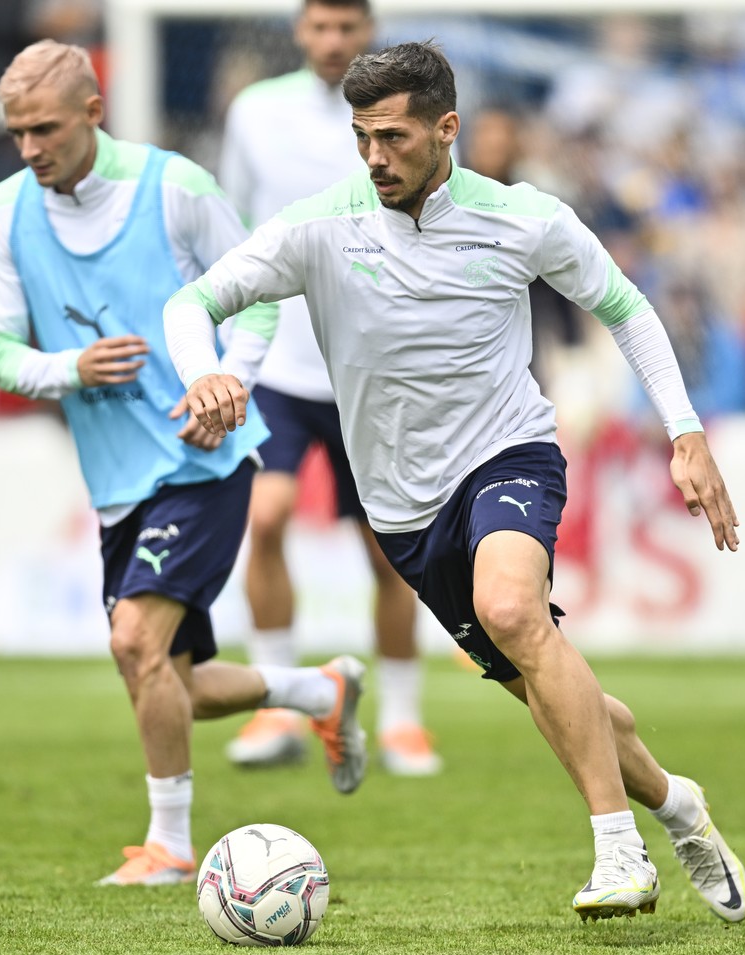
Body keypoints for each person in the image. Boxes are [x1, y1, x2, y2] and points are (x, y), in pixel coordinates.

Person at [166, 41, 745, 922]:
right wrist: (201, 372)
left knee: (515, 611)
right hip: (403, 510)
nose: (374, 157)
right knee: (563, 697)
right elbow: (191, 305)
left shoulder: (524, 218)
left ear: (447, 129)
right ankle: (677, 805)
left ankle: (619, 854)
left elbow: (625, 306)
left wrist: (687, 433)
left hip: (509, 454)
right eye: (362, 136)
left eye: (393, 137)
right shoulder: (319, 226)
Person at [0, 40, 369, 888]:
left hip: (206, 461)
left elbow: (260, 301)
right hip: (116, 482)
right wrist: (68, 368)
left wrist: (229, 382)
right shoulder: (4, 213)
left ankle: (171, 846)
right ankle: (318, 692)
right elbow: (1, 353)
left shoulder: (177, 189)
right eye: (17, 134)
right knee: (172, 682)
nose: (31, 148)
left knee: (133, 643)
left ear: (93, 111)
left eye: (45, 128)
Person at [216, 0, 441, 777]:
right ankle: (279, 703)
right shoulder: (255, 112)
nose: (333, 41)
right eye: (320, 27)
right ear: (299, 33)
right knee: (268, 518)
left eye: (347, 28)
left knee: (387, 553)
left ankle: (405, 719)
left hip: (369, 366)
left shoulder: (404, 117)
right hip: (278, 357)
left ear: (368, 33)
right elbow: (231, 223)